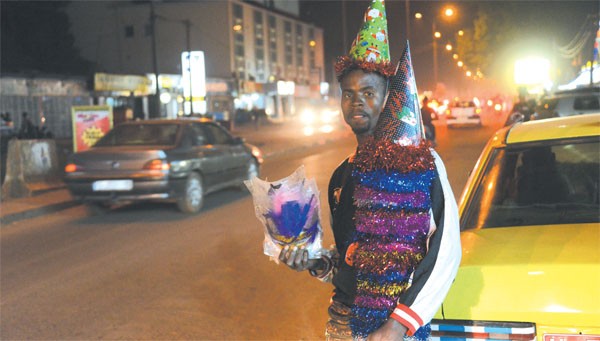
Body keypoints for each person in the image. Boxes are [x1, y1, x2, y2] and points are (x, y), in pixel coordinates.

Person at [279, 1, 461, 340]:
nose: (357, 101)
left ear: (387, 98)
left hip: (396, 328)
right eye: (348, 94)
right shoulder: (341, 177)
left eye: (368, 92)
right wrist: (313, 261)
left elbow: (447, 250)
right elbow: (348, 263)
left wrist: (397, 325)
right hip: (341, 324)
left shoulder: (421, 164)